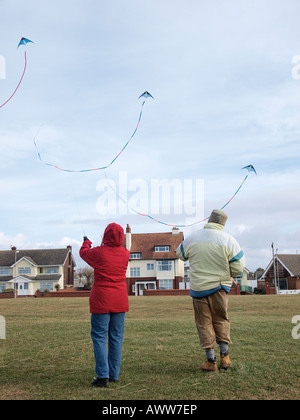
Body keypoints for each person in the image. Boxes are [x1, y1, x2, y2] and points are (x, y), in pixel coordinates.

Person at [176, 209, 245, 372]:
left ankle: (210, 361)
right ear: (223, 223)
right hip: (220, 287)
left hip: (199, 288)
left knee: (203, 323)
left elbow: (180, 254)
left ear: (209, 220)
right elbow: (238, 267)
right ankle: (225, 358)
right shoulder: (229, 240)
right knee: (221, 319)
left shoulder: (192, 238)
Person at [80, 223, 130, 387]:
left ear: (105, 235)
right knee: (116, 337)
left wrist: (87, 242)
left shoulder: (99, 253)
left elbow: (84, 253)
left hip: (101, 300)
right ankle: (113, 374)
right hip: (120, 300)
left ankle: (103, 376)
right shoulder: (125, 254)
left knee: (100, 336)